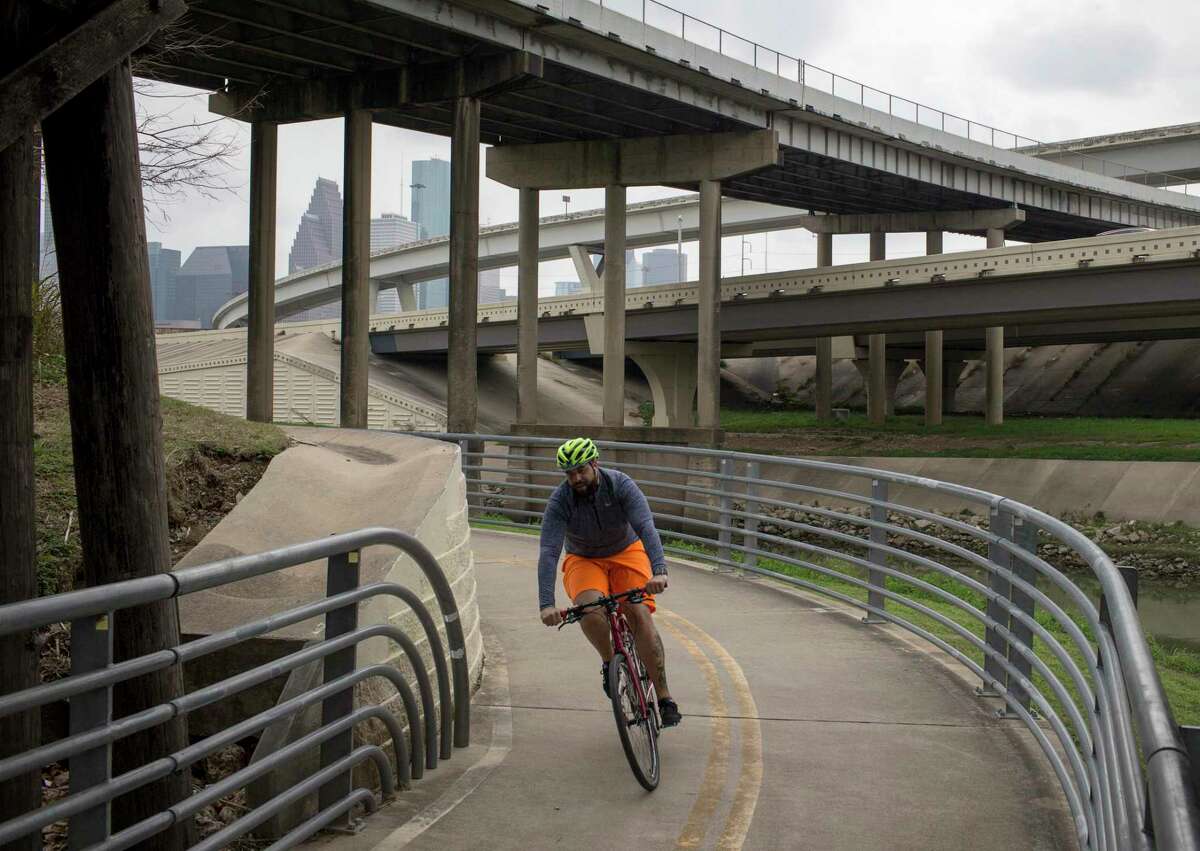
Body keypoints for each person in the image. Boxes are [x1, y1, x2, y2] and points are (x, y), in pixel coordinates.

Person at [537, 437, 682, 727]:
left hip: (626, 551)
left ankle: (665, 698)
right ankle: (609, 662)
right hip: (584, 558)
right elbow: (549, 551)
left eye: (580, 470)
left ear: (594, 464)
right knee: (588, 609)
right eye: (569, 474)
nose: (576, 478)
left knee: (638, 613)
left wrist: (659, 570)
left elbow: (645, 526)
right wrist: (546, 604)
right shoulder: (560, 500)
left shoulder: (621, 485)